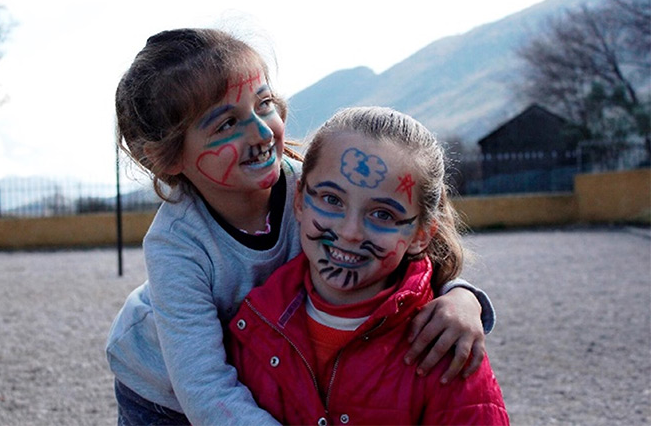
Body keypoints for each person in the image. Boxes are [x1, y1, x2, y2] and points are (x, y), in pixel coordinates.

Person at [106, 29, 495, 425]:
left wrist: (462, 298)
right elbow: (204, 388)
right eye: (226, 124)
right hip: (162, 391)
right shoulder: (176, 245)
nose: (260, 131)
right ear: (164, 157)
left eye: (264, 104)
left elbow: (407, 241)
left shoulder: (321, 188)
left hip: (255, 373)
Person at [227, 106, 509, 425]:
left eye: (382, 214)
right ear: (300, 200)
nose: (349, 232)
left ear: (420, 235)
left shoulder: (445, 349)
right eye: (332, 200)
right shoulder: (253, 326)